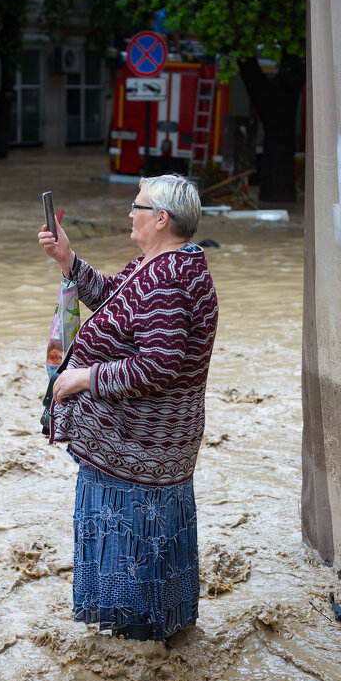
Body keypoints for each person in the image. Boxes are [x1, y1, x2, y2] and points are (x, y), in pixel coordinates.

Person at [38, 174, 218, 642]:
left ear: (161, 218)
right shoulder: (163, 264)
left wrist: (85, 377)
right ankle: (158, 637)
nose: (130, 214)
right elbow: (111, 297)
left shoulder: (166, 278)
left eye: (137, 206)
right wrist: (68, 260)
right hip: (156, 445)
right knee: (153, 544)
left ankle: (138, 647)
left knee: (133, 545)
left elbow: (159, 365)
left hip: (139, 447)